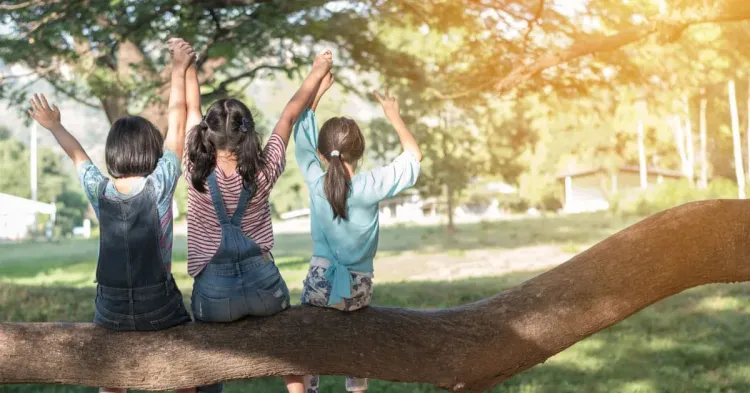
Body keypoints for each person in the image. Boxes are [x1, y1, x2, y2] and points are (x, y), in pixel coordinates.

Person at [28, 39, 196, 393]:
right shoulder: (161, 183)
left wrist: (54, 125)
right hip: (159, 307)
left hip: (111, 310)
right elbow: (178, 123)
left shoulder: (98, 189)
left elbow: (76, 153)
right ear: (152, 151)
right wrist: (178, 70)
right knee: (186, 371)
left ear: (113, 153)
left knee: (110, 380)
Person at [182, 50, 333, 393]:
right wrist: (317, 71)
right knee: (288, 351)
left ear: (207, 134)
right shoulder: (264, 169)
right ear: (247, 133)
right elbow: (290, 115)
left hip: (213, 297)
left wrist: (187, 66)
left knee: (205, 354)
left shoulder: (194, 172)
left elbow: (191, 110)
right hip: (265, 289)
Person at [292, 73, 422, 393]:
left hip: (320, 284)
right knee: (356, 338)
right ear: (359, 152)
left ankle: (310, 386)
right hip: (358, 289)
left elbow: (301, 138)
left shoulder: (315, 180)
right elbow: (413, 158)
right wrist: (394, 116)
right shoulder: (370, 186)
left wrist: (316, 96)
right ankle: (357, 385)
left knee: (308, 343)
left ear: (323, 154)